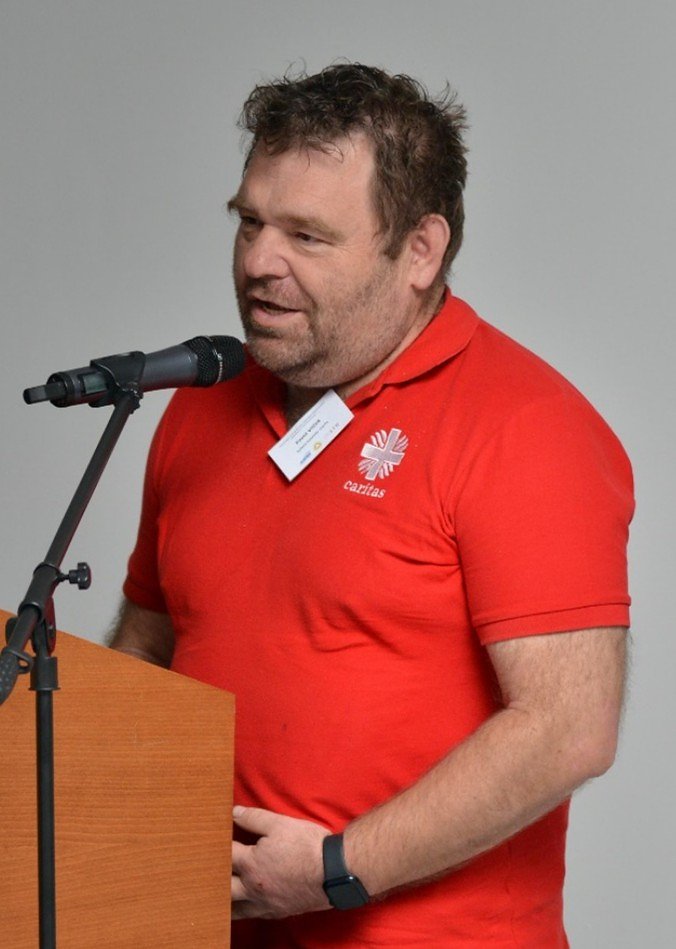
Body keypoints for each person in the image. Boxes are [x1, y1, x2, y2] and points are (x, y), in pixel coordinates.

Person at [110, 64, 634, 947]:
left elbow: (568, 728)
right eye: (249, 221)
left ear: (420, 250)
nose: (258, 262)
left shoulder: (526, 425)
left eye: (307, 235)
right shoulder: (201, 404)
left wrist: (336, 868)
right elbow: (147, 648)